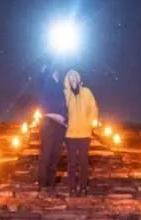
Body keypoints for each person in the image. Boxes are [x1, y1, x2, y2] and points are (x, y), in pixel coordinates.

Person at [64, 69, 99, 196]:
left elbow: (93, 108)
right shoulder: (65, 94)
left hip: (84, 133)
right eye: (70, 77)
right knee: (72, 162)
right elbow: (62, 110)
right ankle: (72, 187)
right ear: (67, 80)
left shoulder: (87, 92)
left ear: (78, 79)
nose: (73, 78)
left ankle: (83, 187)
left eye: (74, 76)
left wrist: (90, 122)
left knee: (84, 162)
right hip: (71, 134)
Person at [35, 65, 67, 194]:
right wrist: (44, 69)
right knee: (46, 155)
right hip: (48, 123)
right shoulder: (46, 81)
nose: (58, 73)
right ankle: (43, 184)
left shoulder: (61, 86)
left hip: (60, 126)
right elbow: (40, 78)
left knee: (55, 156)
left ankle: (51, 184)